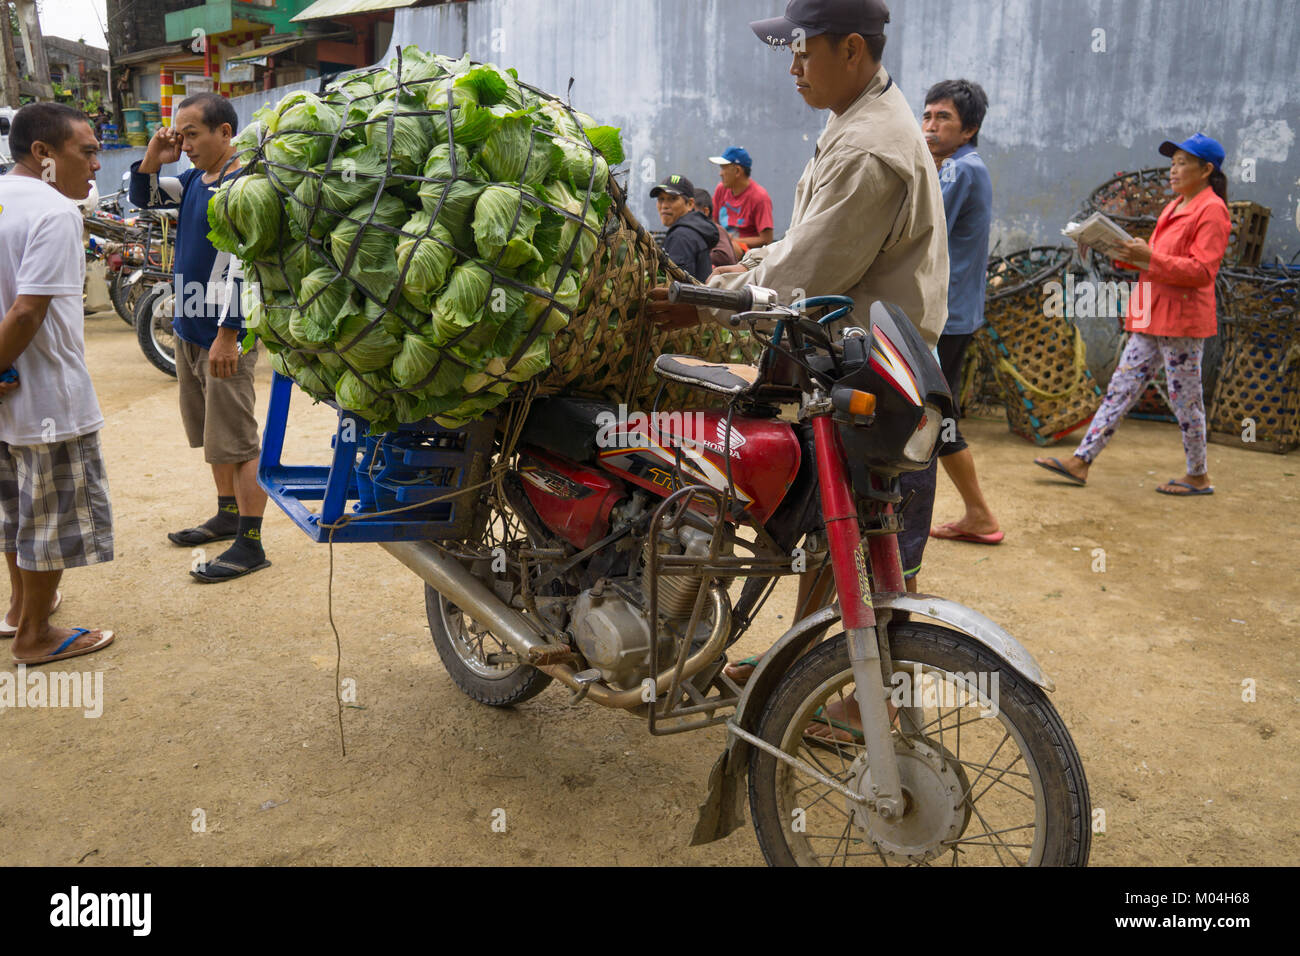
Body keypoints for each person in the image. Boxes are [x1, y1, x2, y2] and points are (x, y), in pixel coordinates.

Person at [649, 0, 950, 698]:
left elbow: (805, 275)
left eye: (803, 51)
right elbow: (797, 249)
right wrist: (727, 280)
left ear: (851, 48)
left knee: (836, 516)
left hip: (864, 362)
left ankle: (842, 694)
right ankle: (804, 662)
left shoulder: (871, 146)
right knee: (831, 520)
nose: (792, 67)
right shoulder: (857, 121)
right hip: (859, 350)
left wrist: (703, 302)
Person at [1035, 133, 1231, 496]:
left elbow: (1202, 272)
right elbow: (1153, 261)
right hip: (1152, 313)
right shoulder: (1175, 206)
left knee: (1184, 399)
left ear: (1206, 170)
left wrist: (1148, 256)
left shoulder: (1212, 210)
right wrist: (1106, 246)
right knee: (1120, 390)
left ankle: (1198, 475)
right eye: (1172, 163)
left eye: (1182, 163)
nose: (1173, 170)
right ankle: (1081, 461)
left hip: (1181, 320)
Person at [130, 92, 271, 582]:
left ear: (225, 133)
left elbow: (247, 268)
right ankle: (227, 513)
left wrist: (230, 334)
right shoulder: (193, 180)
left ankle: (250, 543)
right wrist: (154, 156)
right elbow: (144, 196)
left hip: (223, 335)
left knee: (237, 440)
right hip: (191, 329)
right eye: (179, 133)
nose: (183, 143)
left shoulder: (243, 186)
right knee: (212, 436)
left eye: (191, 134)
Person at [0, 102, 116, 665]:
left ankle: (21, 610)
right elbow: (26, 314)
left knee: (16, 509)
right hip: (46, 395)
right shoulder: (54, 212)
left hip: (9, 399)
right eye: (86, 151)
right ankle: (35, 637)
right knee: (50, 516)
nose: (95, 165)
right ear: (44, 154)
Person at [920, 79, 1003, 545]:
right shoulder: (962, 166)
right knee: (937, 412)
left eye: (943, 118)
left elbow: (922, 227)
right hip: (954, 312)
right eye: (928, 116)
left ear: (969, 128)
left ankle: (979, 514)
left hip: (944, 316)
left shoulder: (958, 170)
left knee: (934, 415)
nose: (931, 126)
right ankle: (977, 513)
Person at [650, 173, 722, 282]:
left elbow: (677, 287)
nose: (664, 205)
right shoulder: (691, 231)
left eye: (672, 199)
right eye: (661, 199)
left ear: (690, 204)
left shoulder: (681, 236)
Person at [708, 146, 774, 260]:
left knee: (726, 250)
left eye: (724, 168)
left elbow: (766, 239)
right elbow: (713, 223)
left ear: (738, 171)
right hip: (722, 245)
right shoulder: (721, 189)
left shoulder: (760, 197)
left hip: (747, 256)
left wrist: (731, 241)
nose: (720, 173)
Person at [693, 188, 738, 268]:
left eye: (692, 211)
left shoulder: (715, 230)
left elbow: (724, 256)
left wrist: (694, 256)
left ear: (705, 212)